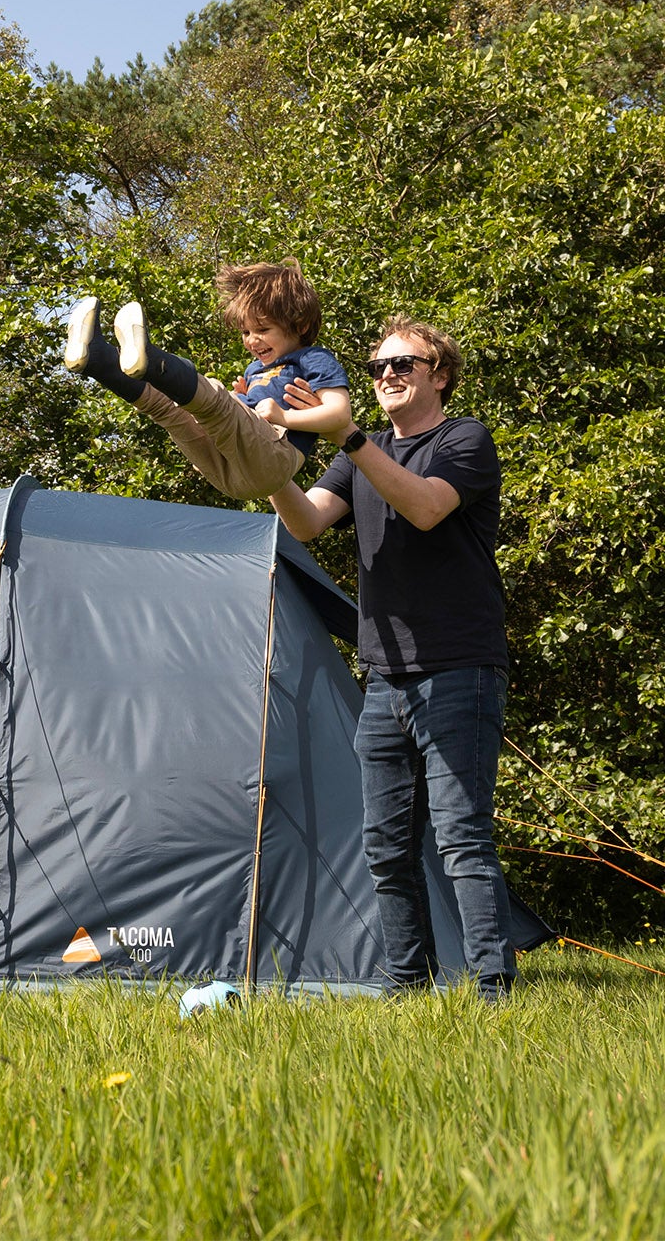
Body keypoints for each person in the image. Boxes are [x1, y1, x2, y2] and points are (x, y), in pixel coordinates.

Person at [268, 315, 516, 999]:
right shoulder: (362, 451)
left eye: (403, 364)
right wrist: (268, 460)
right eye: (378, 368)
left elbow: (428, 508)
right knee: (384, 845)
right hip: (385, 674)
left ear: (439, 374)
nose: (386, 376)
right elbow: (307, 521)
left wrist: (344, 434)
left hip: (458, 664)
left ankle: (494, 989)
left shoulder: (462, 439)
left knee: (461, 835)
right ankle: (408, 983)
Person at [64, 259, 352, 500]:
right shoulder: (255, 370)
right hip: (231, 475)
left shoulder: (313, 358)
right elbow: (243, 425)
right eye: (245, 332)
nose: (252, 341)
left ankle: (151, 359)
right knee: (169, 409)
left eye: (262, 329)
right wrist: (243, 398)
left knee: (214, 403)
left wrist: (285, 418)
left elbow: (339, 414)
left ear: (300, 325)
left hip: (276, 461)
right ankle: (98, 361)